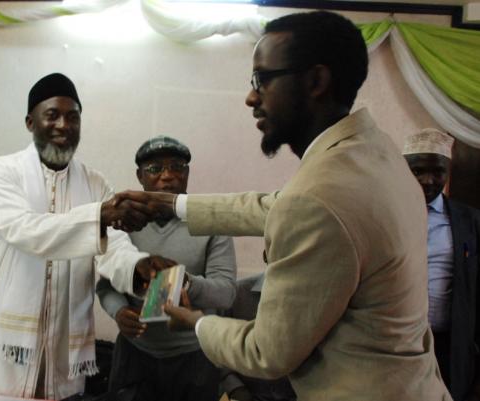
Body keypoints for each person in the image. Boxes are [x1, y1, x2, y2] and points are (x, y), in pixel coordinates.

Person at [113, 11, 451, 401]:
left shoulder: (321, 195)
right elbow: (275, 206)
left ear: (316, 82)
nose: (251, 97)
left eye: (263, 79)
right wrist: (173, 205)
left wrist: (195, 322)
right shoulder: (376, 154)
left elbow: (264, 352)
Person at [0, 73, 172, 400]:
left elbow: (113, 245)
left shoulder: (94, 182)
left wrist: (138, 266)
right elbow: (26, 231)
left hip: (64, 343)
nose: (64, 125)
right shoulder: (2, 172)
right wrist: (98, 215)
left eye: (73, 117)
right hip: (8, 344)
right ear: (30, 122)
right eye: (52, 115)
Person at [96, 136, 237, 401]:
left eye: (177, 167)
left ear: (187, 174)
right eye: (155, 169)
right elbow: (104, 286)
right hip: (135, 355)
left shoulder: (211, 222)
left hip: (196, 357)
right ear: (140, 176)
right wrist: (118, 311)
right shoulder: (124, 223)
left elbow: (226, 293)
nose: (168, 176)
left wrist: (184, 282)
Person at [403, 128, 480, 401]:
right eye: (418, 170)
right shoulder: (387, 216)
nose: (428, 180)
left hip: (451, 345)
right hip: (398, 345)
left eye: (437, 171)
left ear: (448, 171)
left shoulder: (470, 222)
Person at [220, 273, 295, 401]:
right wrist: (236, 389)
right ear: (265, 255)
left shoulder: (314, 298)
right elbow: (219, 349)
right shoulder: (237, 294)